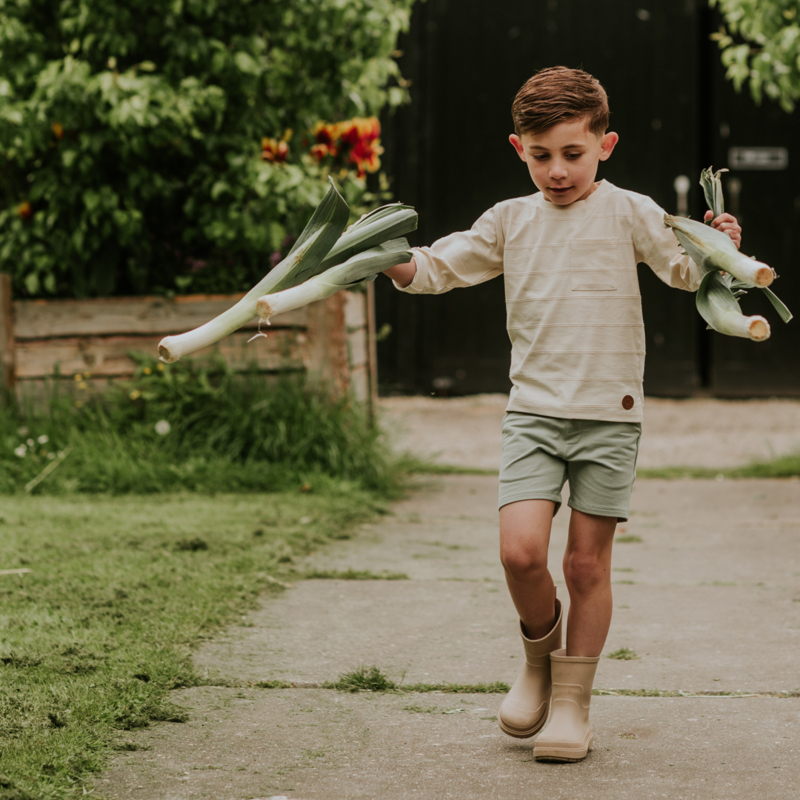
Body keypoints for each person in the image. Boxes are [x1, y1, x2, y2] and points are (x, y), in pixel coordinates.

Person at [383, 66, 742, 762]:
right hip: (534, 413)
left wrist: (718, 246)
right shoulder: (509, 220)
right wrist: (383, 259)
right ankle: (537, 665)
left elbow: (685, 271)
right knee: (520, 553)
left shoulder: (631, 210)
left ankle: (573, 703)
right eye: (540, 155)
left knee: (584, 566)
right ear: (518, 148)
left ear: (605, 144)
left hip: (610, 414)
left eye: (573, 153)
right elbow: (438, 267)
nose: (556, 170)